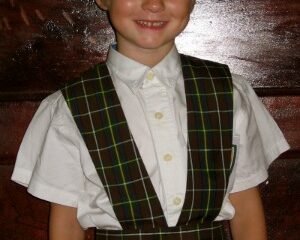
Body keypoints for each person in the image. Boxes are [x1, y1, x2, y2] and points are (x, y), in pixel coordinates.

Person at [11, 0, 290, 239]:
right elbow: (67, 223)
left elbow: (245, 207)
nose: (154, 4)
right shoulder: (69, 108)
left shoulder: (228, 93)